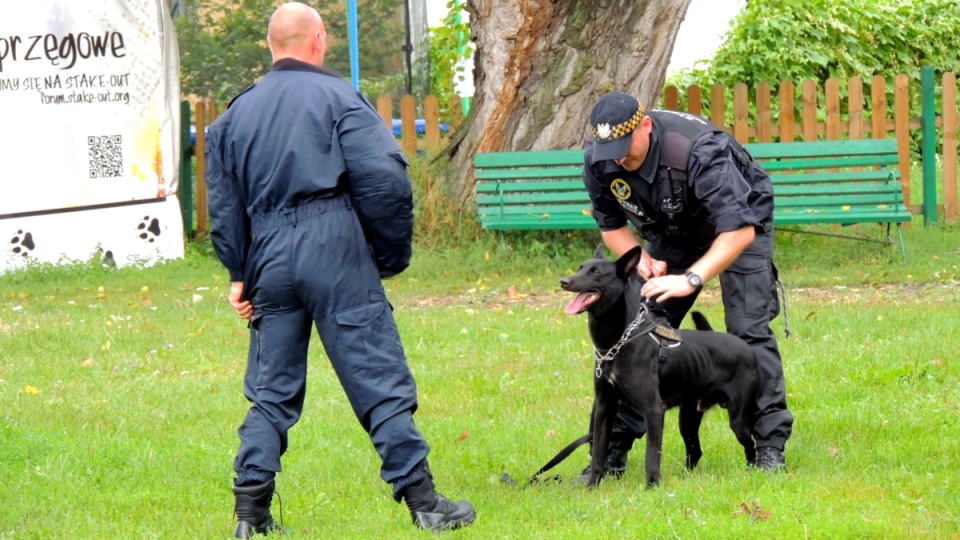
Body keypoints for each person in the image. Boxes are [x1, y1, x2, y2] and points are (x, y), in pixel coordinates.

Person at [204, 3, 475, 536]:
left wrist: (239, 271)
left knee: (270, 388)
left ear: (270, 45)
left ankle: (250, 515)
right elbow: (384, 181)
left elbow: (224, 203)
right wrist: (388, 254)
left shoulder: (233, 116)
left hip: (271, 253)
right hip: (334, 242)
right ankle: (424, 503)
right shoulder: (337, 97)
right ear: (319, 40)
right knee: (375, 372)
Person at [576, 91, 794, 479]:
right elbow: (611, 226)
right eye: (611, 151)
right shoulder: (601, 158)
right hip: (672, 229)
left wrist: (691, 278)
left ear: (646, 126)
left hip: (740, 226)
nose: (619, 158)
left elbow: (739, 229)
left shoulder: (697, 151)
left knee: (748, 331)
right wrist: (639, 257)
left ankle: (769, 446)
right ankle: (611, 452)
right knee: (638, 331)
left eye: (626, 148)